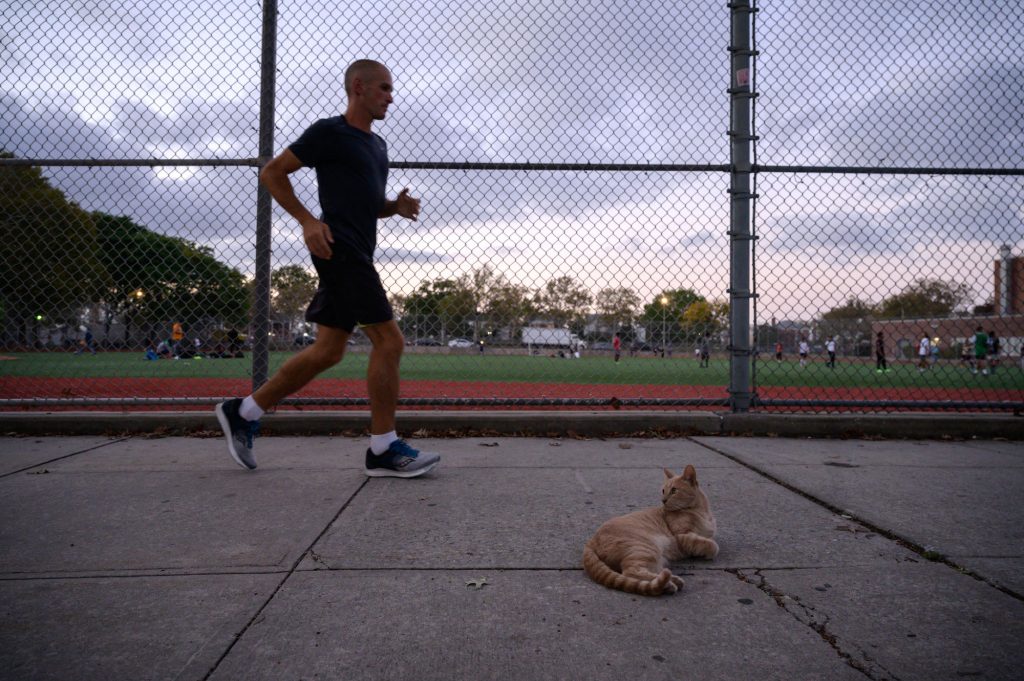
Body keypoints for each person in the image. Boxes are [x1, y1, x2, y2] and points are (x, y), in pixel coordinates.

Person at [215, 60, 440, 477]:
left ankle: (243, 411)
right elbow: (273, 172)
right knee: (389, 341)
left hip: (359, 250)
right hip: (338, 248)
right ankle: (383, 449)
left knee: (329, 349)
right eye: (384, 88)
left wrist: (394, 206)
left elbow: (370, 205)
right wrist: (306, 221)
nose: (392, 96)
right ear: (358, 86)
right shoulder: (328, 132)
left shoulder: (378, 146)